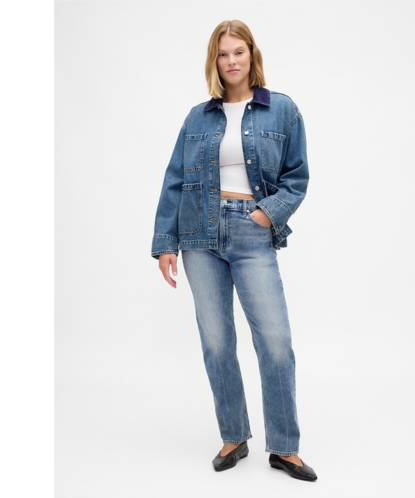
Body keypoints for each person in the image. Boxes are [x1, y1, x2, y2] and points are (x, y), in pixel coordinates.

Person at [151, 20, 317, 482]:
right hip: (198, 237)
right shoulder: (197, 117)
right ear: (215, 61)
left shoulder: (281, 109)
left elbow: (297, 176)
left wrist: (267, 213)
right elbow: (174, 179)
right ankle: (233, 436)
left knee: (275, 342)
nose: (231, 61)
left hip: (251, 232)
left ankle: (284, 447)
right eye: (223, 54)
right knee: (217, 342)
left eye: (238, 52)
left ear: (251, 55)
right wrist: (165, 243)